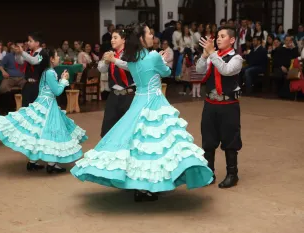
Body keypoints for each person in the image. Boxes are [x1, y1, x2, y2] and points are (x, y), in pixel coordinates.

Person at [71, 23, 213, 202]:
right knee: (155, 144)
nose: (152, 36)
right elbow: (166, 71)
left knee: (138, 143)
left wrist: (115, 61)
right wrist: (160, 60)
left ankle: (141, 186)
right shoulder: (153, 56)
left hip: (138, 101)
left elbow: (126, 65)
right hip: (154, 101)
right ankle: (149, 186)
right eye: (148, 33)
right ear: (140, 38)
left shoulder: (132, 56)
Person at [0, 48, 87, 173]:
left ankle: (32, 162)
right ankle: (51, 164)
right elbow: (57, 91)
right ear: (51, 59)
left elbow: (45, 89)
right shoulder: (50, 72)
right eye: (57, 56)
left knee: (38, 131)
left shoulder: (45, 72)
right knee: (52, 131)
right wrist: (64, 80)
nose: (59, 58)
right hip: (48, 105)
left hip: (42, 102)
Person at [196, 25, 243, 188]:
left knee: (230, 140)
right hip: (210, 103)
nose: (218, 38)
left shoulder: (236, 58)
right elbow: (199, 70)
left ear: (232, 40)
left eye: (222, 36)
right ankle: (209, 173)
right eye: (218, 36)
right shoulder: (212, 56)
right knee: (208, 139)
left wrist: (212, 53)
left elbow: (225, 70)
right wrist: (204, 56)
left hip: (228, 105)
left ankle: (232, 174)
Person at [98, 29, 135, 137]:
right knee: (107, 127)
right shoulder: (109, 53)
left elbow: (130, 67)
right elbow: (101, 69)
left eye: (115, 38)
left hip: (129, 95)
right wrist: (106, 61)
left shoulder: (130, 53)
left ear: (123, 39)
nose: (112, 40)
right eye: (111, 38)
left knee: (128, 127)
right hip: (114, 94)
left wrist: (114, 60)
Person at [15, 32, 48, 107]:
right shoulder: (29, 52)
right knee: (26, 106)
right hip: (28, 84)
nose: (28, 43)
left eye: (30, 41)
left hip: (39, 85)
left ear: (37, 43)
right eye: (28, 41)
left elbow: (34, 61)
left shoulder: (43, 53)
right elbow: (19, 61)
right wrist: (18, 53)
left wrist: (22, 52)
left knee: (37, 108)